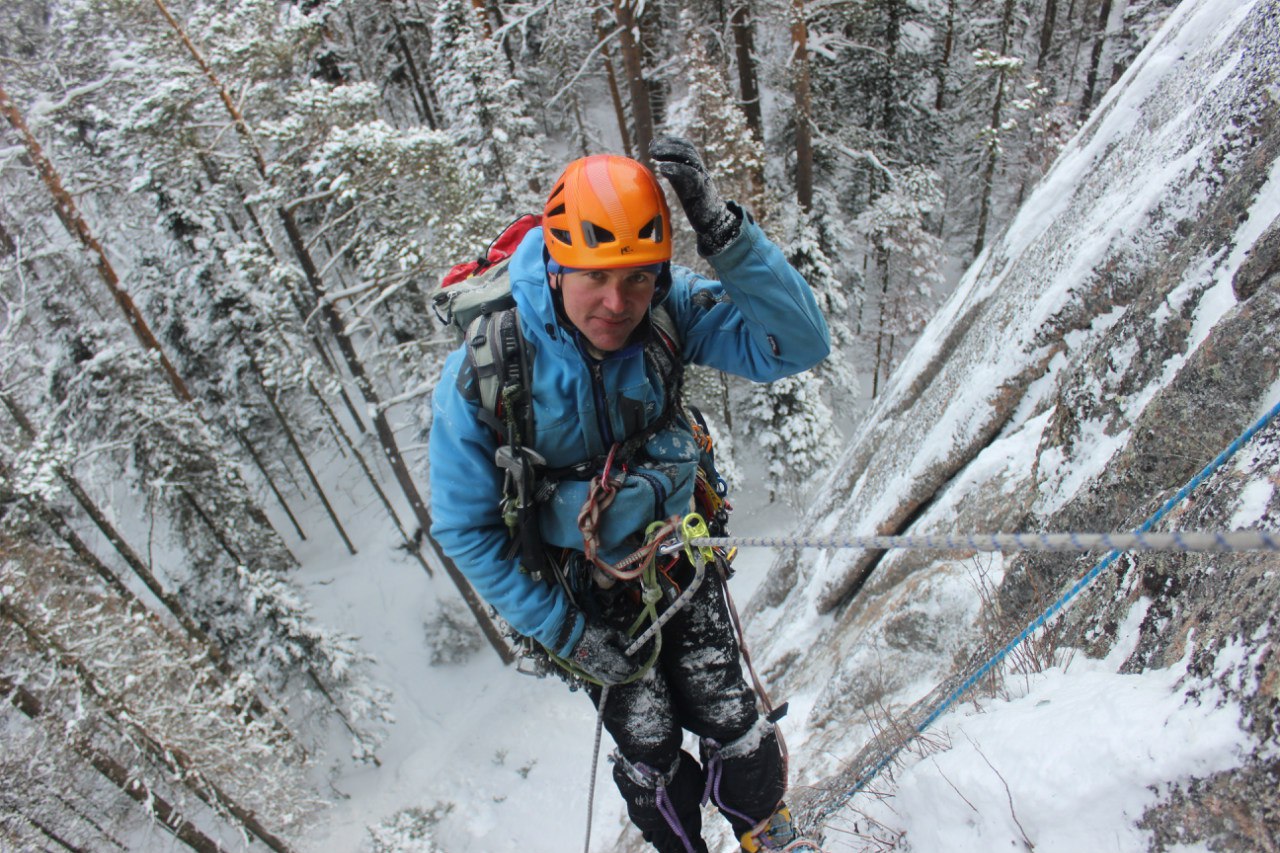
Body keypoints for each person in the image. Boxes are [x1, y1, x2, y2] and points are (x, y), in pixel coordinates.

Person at [429, 136, 830, 852]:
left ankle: (767, 832)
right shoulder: (484, 374)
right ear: (554, 264)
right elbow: (465, 527)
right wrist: (564, 631)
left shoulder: (666, 308)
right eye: (594, 278)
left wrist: (725, 234)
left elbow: (795, 344)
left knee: (732, 714)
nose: (617, 304)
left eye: (637, 279)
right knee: (648, 751)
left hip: (677, 554)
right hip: (580, 594)